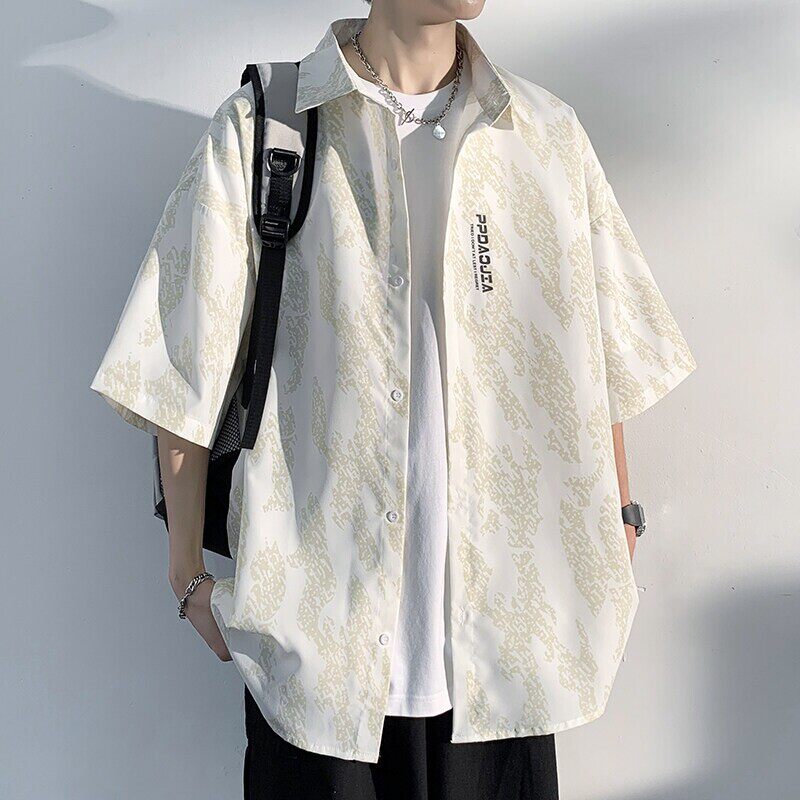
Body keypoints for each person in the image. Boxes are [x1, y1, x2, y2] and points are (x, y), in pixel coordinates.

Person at [90, 1, 696, 798]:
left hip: (507, 657)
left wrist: (619, 519)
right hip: (317, 658)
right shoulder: (268, 128)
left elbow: (600, 355)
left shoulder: (543, 135)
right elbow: (178, 359)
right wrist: (186, 575)